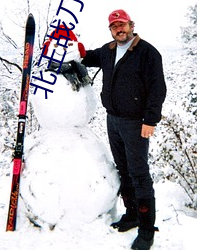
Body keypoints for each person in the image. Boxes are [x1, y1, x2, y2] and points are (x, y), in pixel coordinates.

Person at [82, 9, 166, 250]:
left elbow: (157, 88)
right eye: (114, 26)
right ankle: (132, 214)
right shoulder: (108, 51)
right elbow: (88, 57)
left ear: (131, 24)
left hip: (136, 123)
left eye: (122, 24)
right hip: (113, 120)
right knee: (124, 169)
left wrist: (150, 120)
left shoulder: (147, 52)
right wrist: (76, 50)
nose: (119, 29)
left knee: (139, 173)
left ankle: (147, 231)